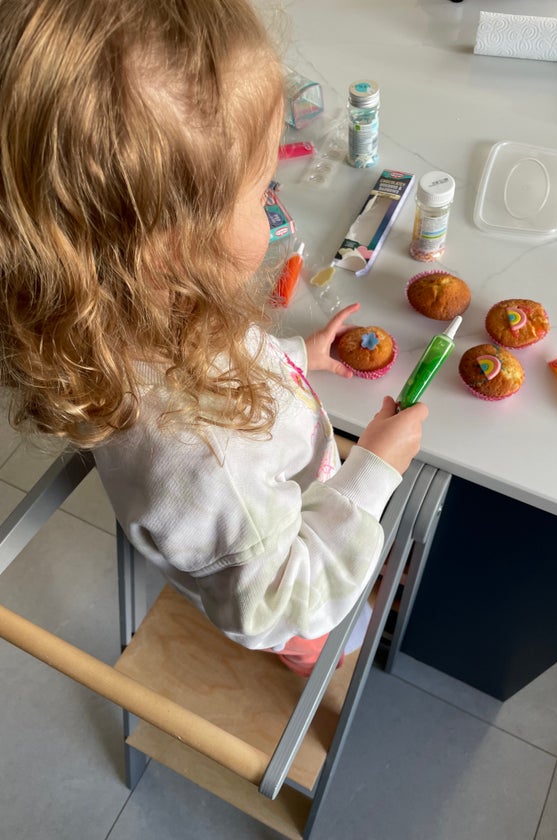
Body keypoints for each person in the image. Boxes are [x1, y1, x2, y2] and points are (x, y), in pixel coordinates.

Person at [0, 0, 428, 676]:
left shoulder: (131, 320)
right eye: (263, 192)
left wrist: (297, 358)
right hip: (285, 582)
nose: (271, 202)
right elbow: (285, 600)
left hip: (255, 519)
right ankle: (343, 640)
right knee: (331, 630)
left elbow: (228, 371)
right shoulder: (209, 457)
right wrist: (374, 475)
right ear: (173, 250)